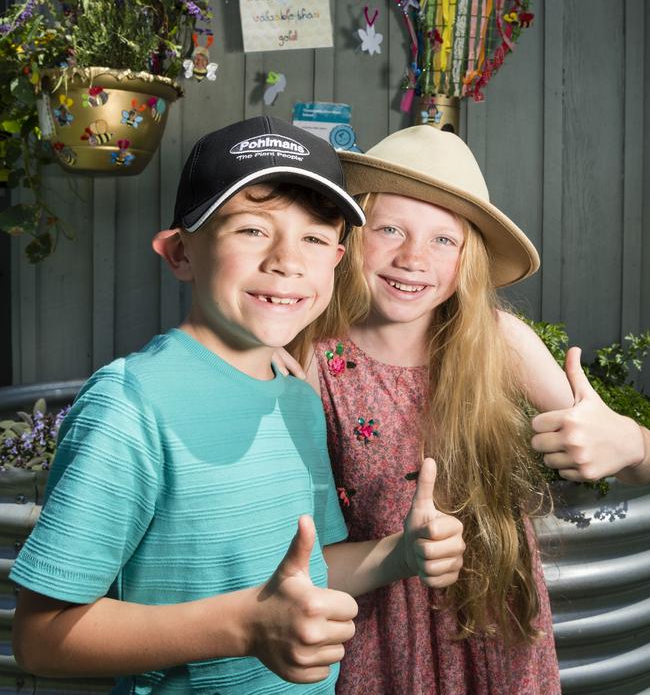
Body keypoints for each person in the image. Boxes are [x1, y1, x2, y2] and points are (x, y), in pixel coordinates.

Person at [10, 115, 465, 695]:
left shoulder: (299, 401)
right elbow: (41, 638)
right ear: (180, 253)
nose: (286, 260)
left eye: (315, 238)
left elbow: (312, 568)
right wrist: (244, 627)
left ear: (337, 260)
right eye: (251, 230)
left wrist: (399, 555)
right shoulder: (129, 406)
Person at [288, 125, 650, 695]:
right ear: (350, 237)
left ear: (468, 261)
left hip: (493, 619)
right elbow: (292, 547)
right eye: (389, 229)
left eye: (443, 240)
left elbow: (637, 465)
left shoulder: (499, 342)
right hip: (376, 632)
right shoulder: (312, 361)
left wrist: (632, 443)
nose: (412, 257)